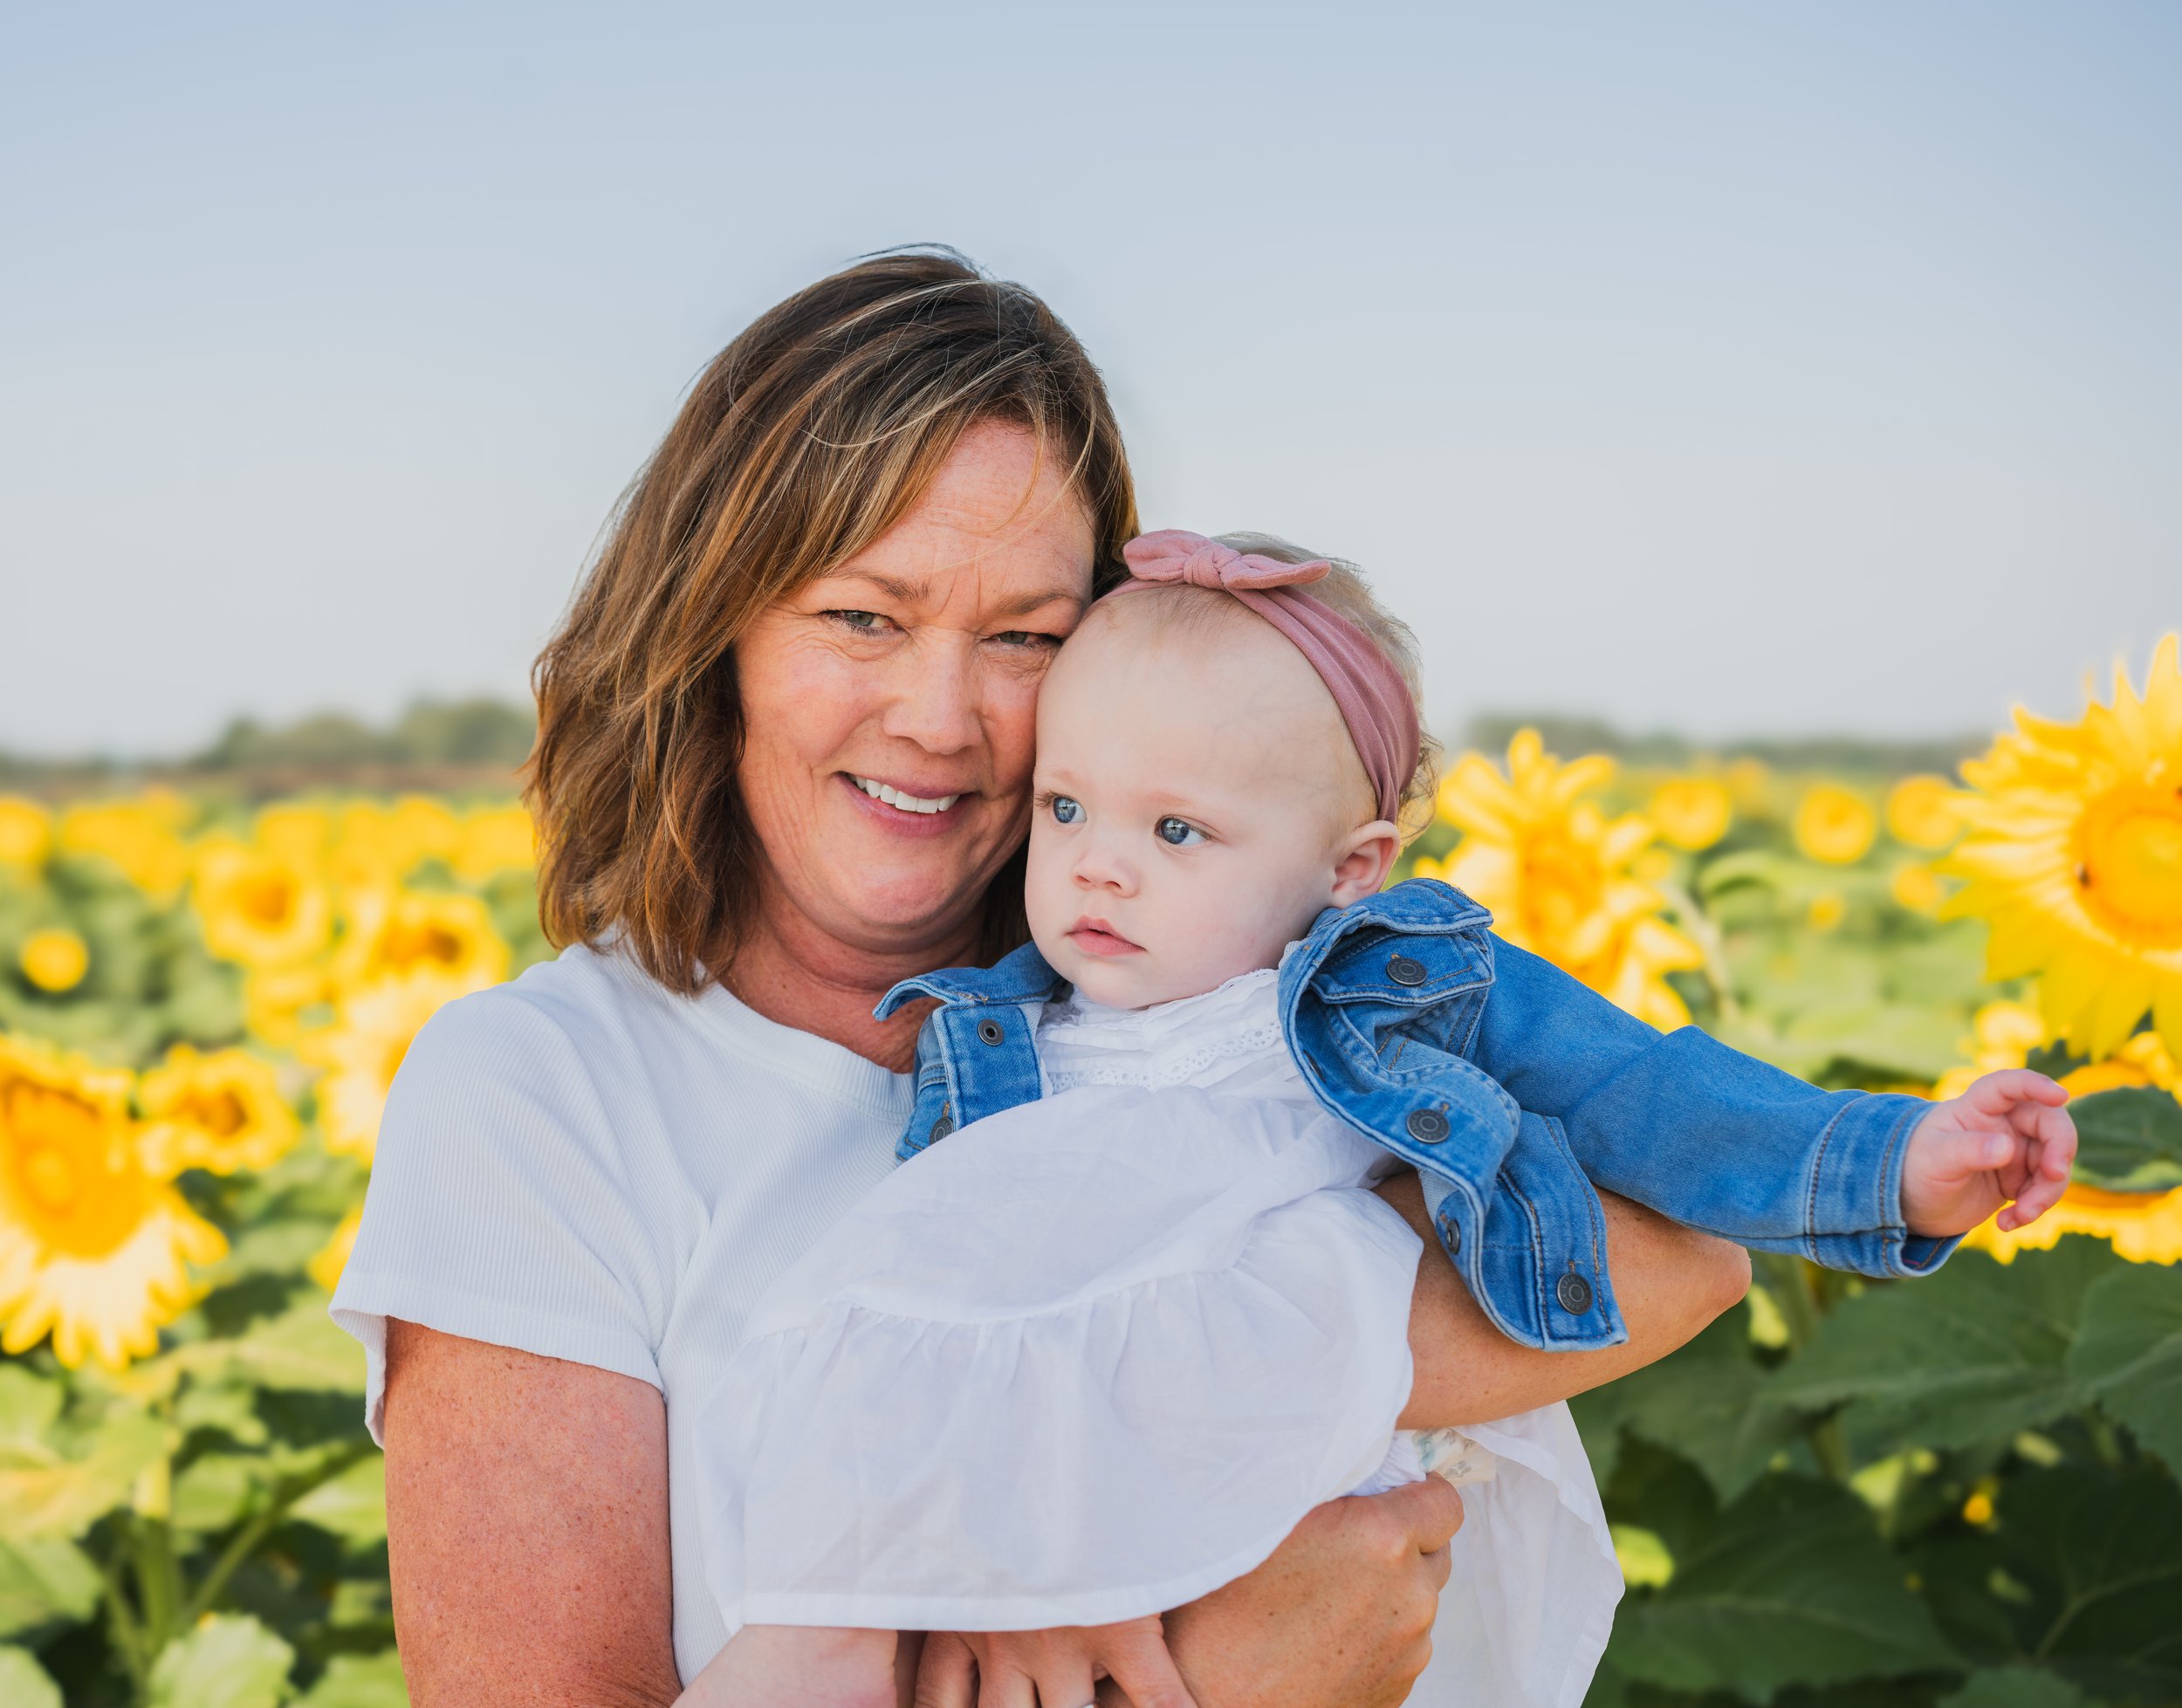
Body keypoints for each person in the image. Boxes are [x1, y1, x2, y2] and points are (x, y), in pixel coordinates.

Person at [330, 250, 1755, 1708]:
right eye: (863, 617)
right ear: (715, 632)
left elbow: (1682, 1248)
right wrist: (1217, 1672)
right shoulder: (543, 1092)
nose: (939, 717)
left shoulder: (1223, 1009)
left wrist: (1098, 1443)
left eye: (1024, 637)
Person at [677, 532, 2078, 1708]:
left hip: (1277, 1488)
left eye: (1178, 833)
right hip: (1026, 1471)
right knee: (822, 1608)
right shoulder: (993, 1037)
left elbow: (1641, 1092)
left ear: (1352, 871)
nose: (1099, 863)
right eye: (1067, 805)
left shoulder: (1382, 999)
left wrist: (1894, 1163)